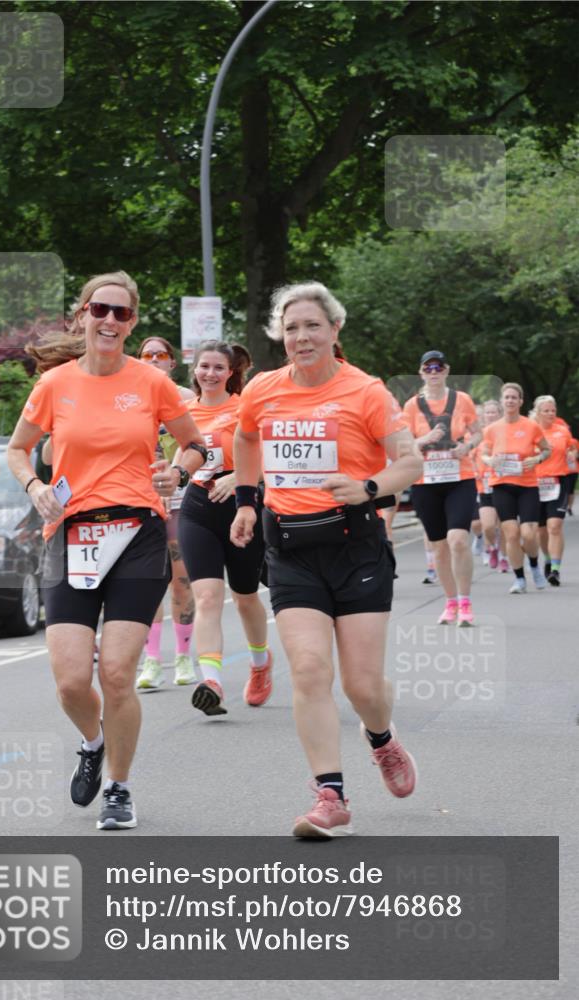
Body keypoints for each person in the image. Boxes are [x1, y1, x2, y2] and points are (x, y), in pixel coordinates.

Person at [7, 271, 206, 830]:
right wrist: (36, 487)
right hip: (71, 536)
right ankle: (93, 742)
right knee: (72, 680)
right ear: (82, 315)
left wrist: (178, 472)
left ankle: (118, 787)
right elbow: (20, 451)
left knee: (117, 673)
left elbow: (196, 445)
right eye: (100, 310)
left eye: (122, 314)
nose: (110, 322)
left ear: (133, 321)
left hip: (137, 533)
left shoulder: (152, 383)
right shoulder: (55, 385)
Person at [230, 282, 421, 839]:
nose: (301, 337)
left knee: (363, 686)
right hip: (290, 550)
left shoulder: (366, 392)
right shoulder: (262, 391)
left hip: (355, 546)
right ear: (279, 337)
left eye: (312, 326)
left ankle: (381, 739)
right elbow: (245, 441)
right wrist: (246, 501)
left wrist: (367, 486)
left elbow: (410, 464)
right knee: (310, 669)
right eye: (291, 328)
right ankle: (330, 795)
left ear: (335, 330)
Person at [177, 340, 272, 716]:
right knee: (206, 598)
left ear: (231, 372)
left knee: (246, 595)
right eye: (204, 366)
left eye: (219, 367)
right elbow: (178, 455)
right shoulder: (183, 412)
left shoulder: (244, 408)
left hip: (241, 508)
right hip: (198, 507)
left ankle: (261, 665)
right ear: (195, 370)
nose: (210, 374)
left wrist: (239, 477)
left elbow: (266, 454)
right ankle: (211, 680)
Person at [135, 336, 197, 689]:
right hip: (141, 501)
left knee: (181, 578)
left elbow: (197, 443)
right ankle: (152, 660)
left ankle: (184, 656)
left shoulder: (185, 399)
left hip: (179, 499)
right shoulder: (127, 398)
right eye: (147, 355)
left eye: (161, 355)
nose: (155, 359)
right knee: (145, 583)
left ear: (172, 363)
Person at [403, 351, 482, 626]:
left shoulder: (463, 400)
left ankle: (465, 602)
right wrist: (424, 439)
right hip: (426, 482)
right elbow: (404, 444)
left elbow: (478, 432)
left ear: (446, 370)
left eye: (438, 367)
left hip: (460, 477)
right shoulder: (412, 406)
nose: (434, 372)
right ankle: (450, 603)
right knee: (438, 547)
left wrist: (467, 446)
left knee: (458, 540)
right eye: (428, 368)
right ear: (422, 373)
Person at [481, 383, 551, 594]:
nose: (510, 400)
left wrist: (537, 458)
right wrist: (490, 460)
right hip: (502, 485)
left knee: (529, 534)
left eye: (514, 397)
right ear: (502, 401)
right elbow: (484, 453)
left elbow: (547, 450)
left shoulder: (531, 426)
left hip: (527, 485)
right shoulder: (491, 429)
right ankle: (519, 579)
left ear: (520, 402)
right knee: (511, 535)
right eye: (507, 397)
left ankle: (534, 565)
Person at [531, 395, 575, 587]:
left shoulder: (562, 431)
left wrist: (572, 454)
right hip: (535, 483)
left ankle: (555, 570)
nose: (550, 414)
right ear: (538, 412)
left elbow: (572, 449)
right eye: (546, 410)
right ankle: (548, 559)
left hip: (559, 481)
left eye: (553, 410)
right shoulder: (530, 431)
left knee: (555, 525)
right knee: (541, 531)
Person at [474, 399, 509, 572]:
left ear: (499, 414)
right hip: (484, 485)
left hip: (503, 484)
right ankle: (492, 547)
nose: (490, 415)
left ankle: (503, 555)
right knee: (487, 525)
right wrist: (474, 472)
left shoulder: (505, 433)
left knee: (503, 524)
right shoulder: (477, 435)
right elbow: (470, 457)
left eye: (493, 412)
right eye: (487, 412)